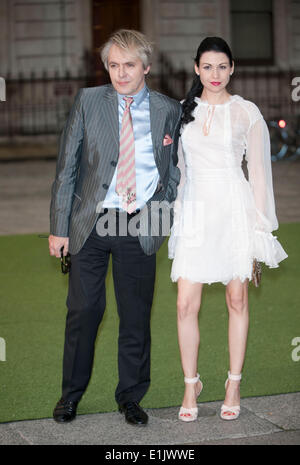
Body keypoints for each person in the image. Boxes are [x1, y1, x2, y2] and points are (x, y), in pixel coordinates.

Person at [49, 29, 181, 425]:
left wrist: (162, 211)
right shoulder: (89, 101)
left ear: (146, 67)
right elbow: (67, 167)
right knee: (84, 310)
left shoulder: (167, 109)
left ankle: (131, 397)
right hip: (91, 221)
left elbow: (173, 170)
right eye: (113, 65)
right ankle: (70, 395)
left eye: (129, 65)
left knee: (136, 315)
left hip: (142, 221)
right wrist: (59, 227)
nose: (120, 73)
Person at [168, 37, 288, 422]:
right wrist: (173, 215)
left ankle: (233, 382)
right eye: (207, 67)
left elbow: (260, 178)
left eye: (222, 66)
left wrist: (259, 231)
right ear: (196, 69)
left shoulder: (246, 113)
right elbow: (179, 172)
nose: (215, 74)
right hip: (195, 213)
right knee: (185, 303)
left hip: (234, 211)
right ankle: (192, 384)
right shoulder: (181, 113)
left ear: (232, 68)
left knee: (237, 301)